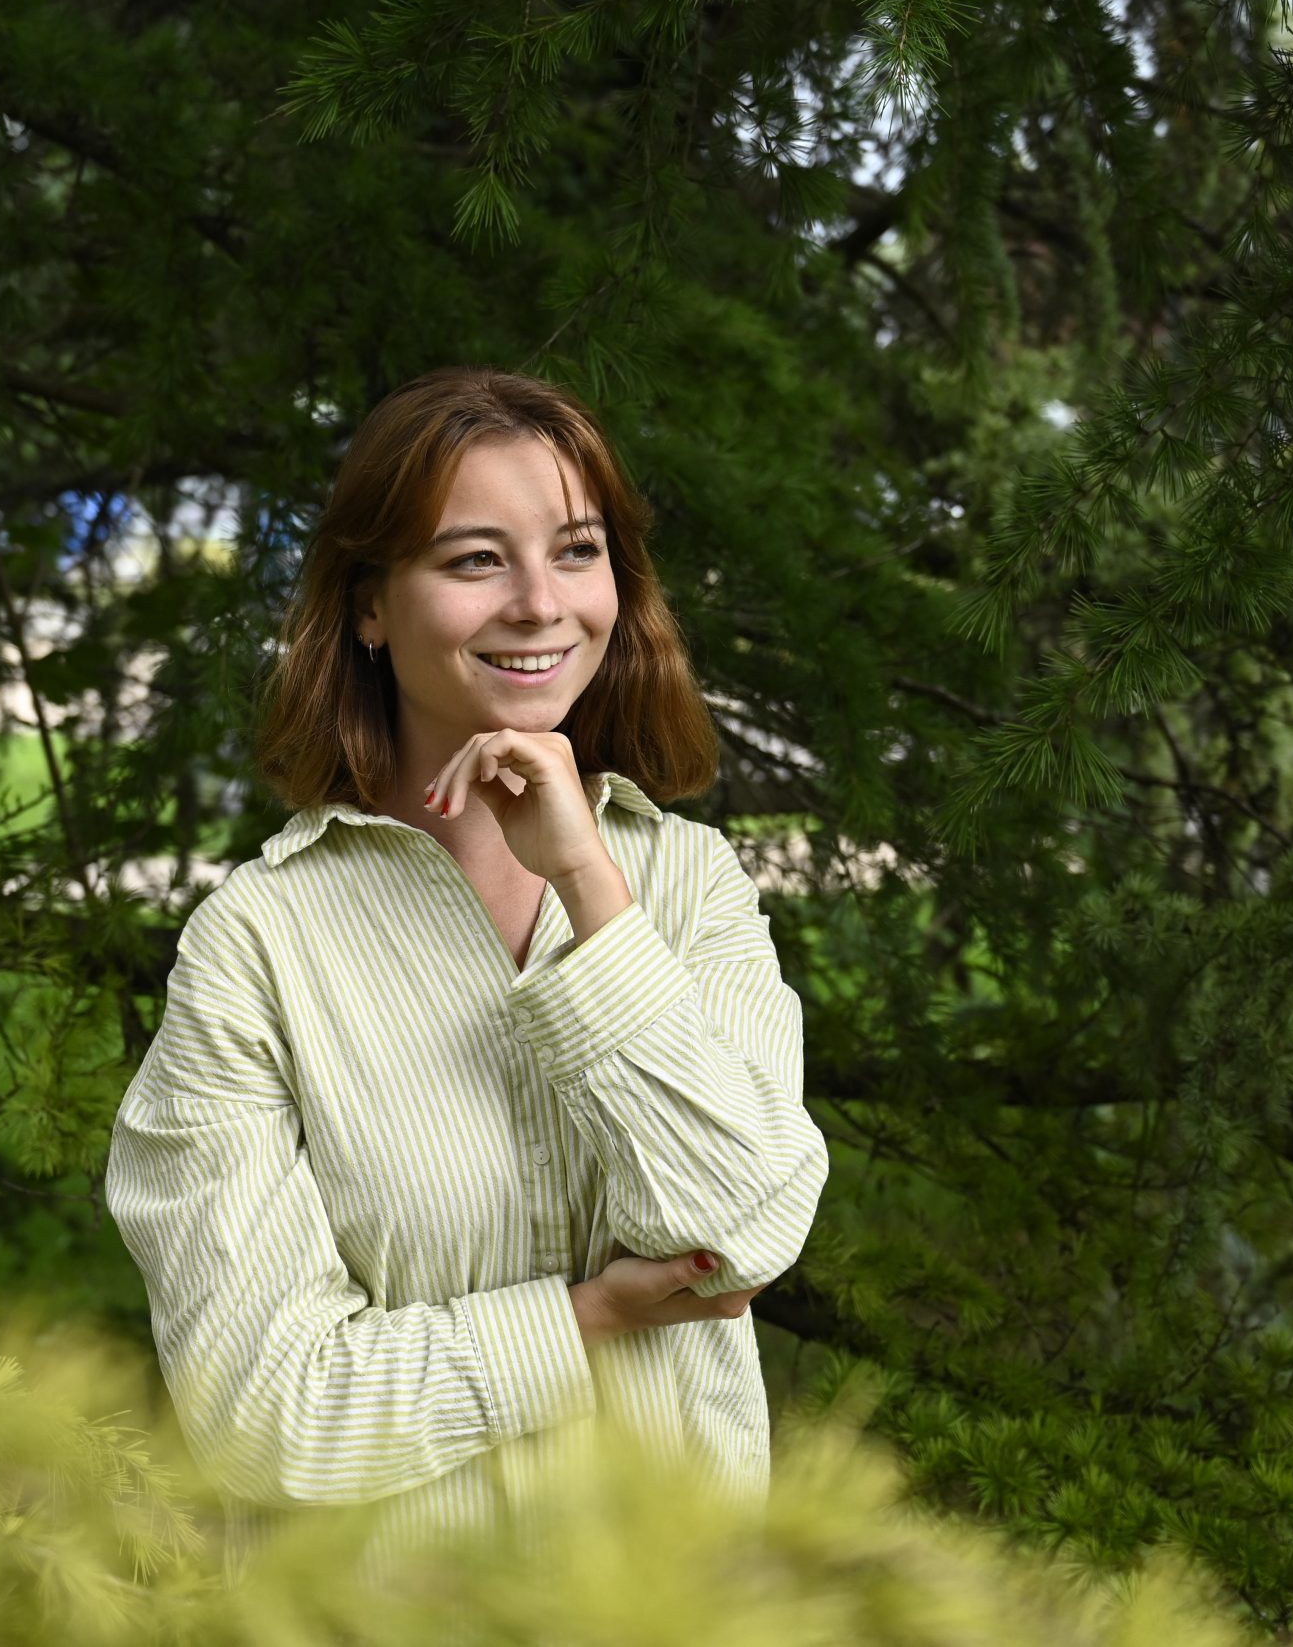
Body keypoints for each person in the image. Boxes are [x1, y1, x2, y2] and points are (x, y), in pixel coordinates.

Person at [104, 365, 830, 1580]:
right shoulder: (257, 946)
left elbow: (743, 1226)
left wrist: (590, 885)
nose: (540, 604)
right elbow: (262, 1407)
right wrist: (585, 1320)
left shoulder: (690, 886)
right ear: (369, 606)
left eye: (577, 551)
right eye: (475, 559)